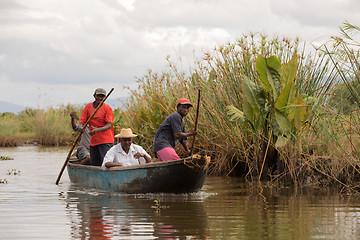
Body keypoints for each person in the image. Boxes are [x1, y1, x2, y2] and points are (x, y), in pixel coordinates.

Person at [153, 97, 197, 162]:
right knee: (177, 163)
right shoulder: (175, 116)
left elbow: (183, 140)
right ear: (178, 107)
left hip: (164, 147)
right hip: (163, 145)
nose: (186, 110)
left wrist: (187, 151)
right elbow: (177, 135)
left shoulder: (182, 122)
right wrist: (190, 134)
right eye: (183, 107)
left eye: (187, 108)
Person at [79, 88, 114, 166]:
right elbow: (82, 121)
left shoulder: (107, 108)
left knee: (105, 163)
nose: (100, 98)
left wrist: (98, 130)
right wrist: (81, 127)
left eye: (102, 96)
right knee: (94, 163)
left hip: (106, 141)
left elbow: (109, 125)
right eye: (98, 96)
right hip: (94, 141)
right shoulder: (88, 107)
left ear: (105, 98)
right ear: (94, 96)